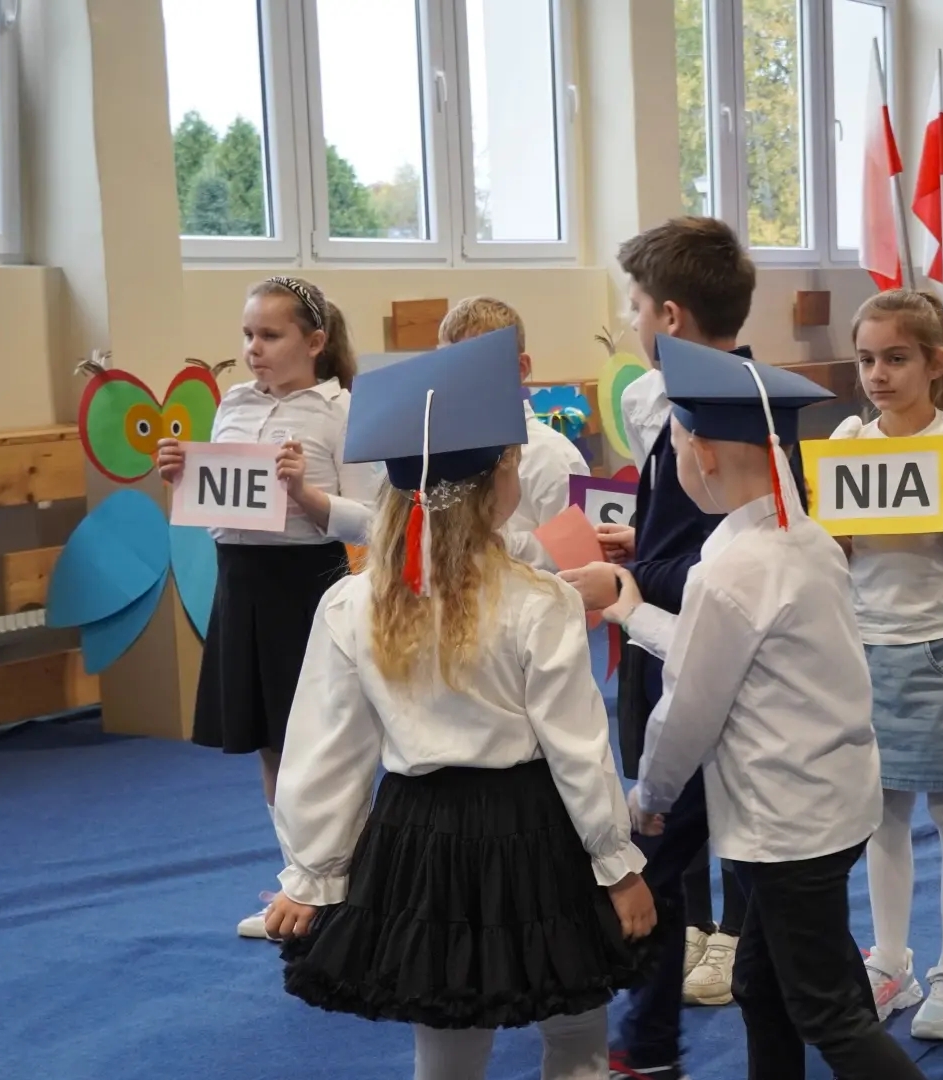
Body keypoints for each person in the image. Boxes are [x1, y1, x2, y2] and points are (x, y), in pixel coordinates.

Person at [262, 332, 659, 1080]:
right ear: (500, 480)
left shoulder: (352, 604)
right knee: (576, 1030)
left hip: (420, 839)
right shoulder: (540, 602)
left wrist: (310, 874)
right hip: (536, 832)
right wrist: (617, 865)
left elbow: (328, 749)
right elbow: (578, 749)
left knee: (445, 1039)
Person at [591, 334, 928, 1080]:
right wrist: (633, 612)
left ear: (704, 454)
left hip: (785, 826)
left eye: (676, 450)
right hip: (832, 803)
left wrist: (651, 796)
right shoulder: (801, 540)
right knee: (760, 986)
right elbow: (722, 651)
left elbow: (689, 707)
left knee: (831, 1015)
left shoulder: (732, 569)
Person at [580, 216, 757, 1080]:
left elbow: (735, 564)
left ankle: (653, 1037)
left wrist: (635, 574)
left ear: (672, 316)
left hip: (713, 667)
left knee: (671, 848)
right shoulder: (688, 402)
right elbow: (690, 537)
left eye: (636, 305)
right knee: (660, 849)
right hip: (666, 646)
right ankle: (649, 1038)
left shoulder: (732, 413)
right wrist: (640, 551)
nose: (631, 319)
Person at [154, 276, 379, 939]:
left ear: (315, 342)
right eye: (248, 334)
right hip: (241, 582)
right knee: (269, 743)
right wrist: (181, 478)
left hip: (307, 585)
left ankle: (348, 887)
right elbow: (220, 512)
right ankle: (299, 884)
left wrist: (307, 496)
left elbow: (373, 518)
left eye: (271, 335)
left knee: (321, 744)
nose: (254, 348)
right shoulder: (232, 402)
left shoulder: (342, 411)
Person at [837, 288, 943, 1041]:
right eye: (867, 359)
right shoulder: (849, 438)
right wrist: (822, 516)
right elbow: (839, 551)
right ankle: (890, 960)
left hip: (938, 646)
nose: (878, 374)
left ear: (935, 364)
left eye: (896, 358)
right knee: (883, 812)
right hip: (864, 646)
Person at [438, 296, 590, 535]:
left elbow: (574, 553)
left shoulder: (554, 458)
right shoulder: (444, 456)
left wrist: (484, 547)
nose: (460, 379)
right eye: (448, 364)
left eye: (475, 363)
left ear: (520, 368)